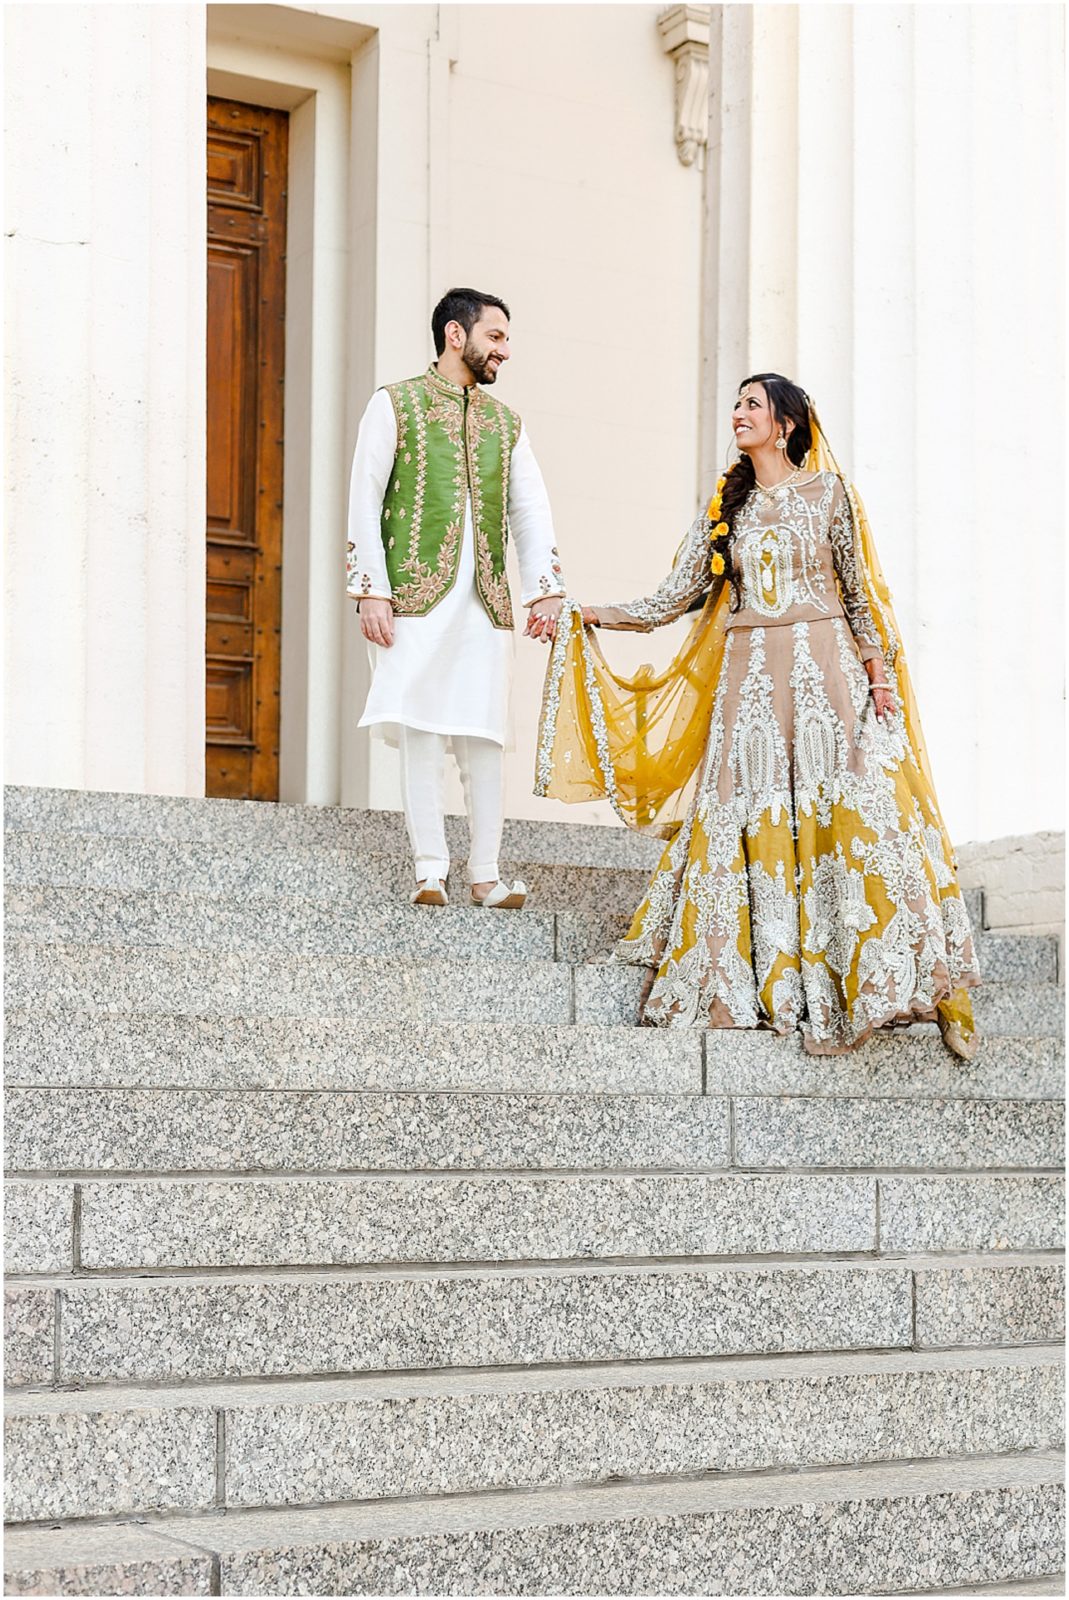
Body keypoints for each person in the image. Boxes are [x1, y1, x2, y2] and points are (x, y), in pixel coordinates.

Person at [535, 374, 980, 1057]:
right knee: (751, 815)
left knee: (857, 816)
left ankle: (897, 977)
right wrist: (592, 613)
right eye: (736, 404)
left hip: (825, 675)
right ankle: (771, 982)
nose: (738, 414)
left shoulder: (830, 494)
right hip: (748, 687)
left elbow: (858, 593)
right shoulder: (725, 504)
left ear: (788, 423)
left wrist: (877, 674)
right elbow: (673, 596)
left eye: (752, 404)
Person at [347, 288, 564, 907]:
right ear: (454, 335)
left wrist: (543, 590)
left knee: (484, 733)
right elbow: (365, 496)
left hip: (486, 600)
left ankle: (487, 875)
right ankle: (429, 870)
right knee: (420, 726)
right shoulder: (396, 404)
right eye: (495, 337)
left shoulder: (506, 425)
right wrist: (371, 589)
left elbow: (531, 510)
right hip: (412, 594)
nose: (505, 350)